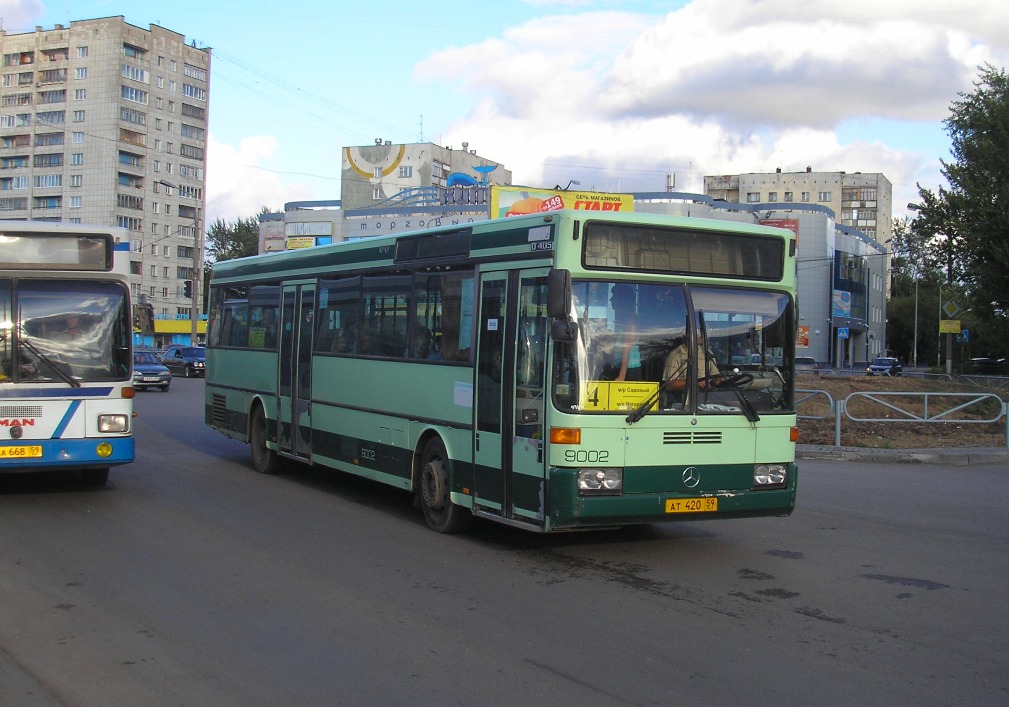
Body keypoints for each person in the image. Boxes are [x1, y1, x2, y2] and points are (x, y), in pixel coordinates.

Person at [609, 285, 641, 381]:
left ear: (622, 300)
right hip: (621, 368)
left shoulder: (630, 322)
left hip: (629, 371)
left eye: (614, 296)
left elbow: (626, 350)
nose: (611, 299)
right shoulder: (622, 320)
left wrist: (621, 376)